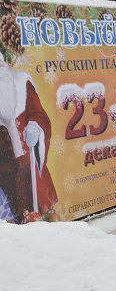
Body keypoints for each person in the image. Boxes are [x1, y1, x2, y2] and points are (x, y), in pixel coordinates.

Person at [0, 54, 57, 223]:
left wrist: (34, 127)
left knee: (49, 219)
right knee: (12, 229)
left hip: (31, 169)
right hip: (5, 178)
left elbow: (39, 115)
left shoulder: (21, 82)